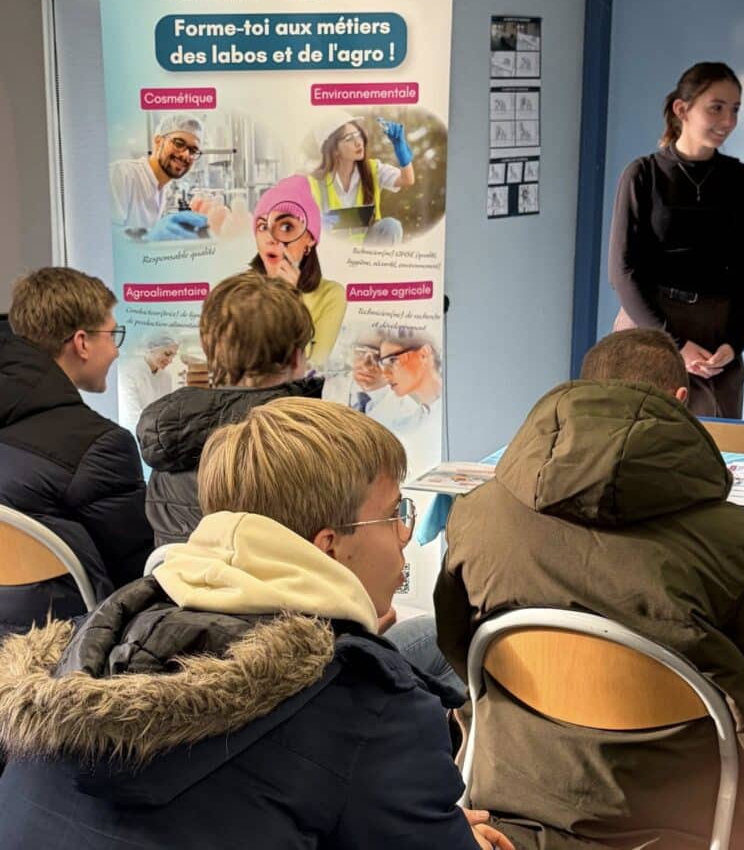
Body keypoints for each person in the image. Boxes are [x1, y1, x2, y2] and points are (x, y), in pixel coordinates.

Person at [0, 398, 513, 850]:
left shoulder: (82, 646)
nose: (404, 534)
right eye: (393, 513)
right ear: (328, 546)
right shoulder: (376, 710)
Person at [434, 328, 744, 850]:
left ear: (583, 392)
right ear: (682, 400)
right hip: (685, 808)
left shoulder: (477, 514)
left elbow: (458, 650)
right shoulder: (739, 540)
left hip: (517, 786)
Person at [0, 268, 152, 636]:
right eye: (112, 334)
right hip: (66, 655)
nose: (116, 350)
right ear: (81, 343)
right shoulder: (100, 448)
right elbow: (140, 580)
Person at [608, 61, 744, 419]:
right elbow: (622, 272)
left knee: (712, 447)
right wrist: (675, 344)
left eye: (735, 109)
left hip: (714, 333)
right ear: (682, 109)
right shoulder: (643, 174)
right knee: (643, 442)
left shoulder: (739, 179)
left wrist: (733, 344)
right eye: (716, 107)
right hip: (650, 326)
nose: (728, 121)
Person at [139, 272, 323, 547]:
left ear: (211, 352)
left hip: (182, 590)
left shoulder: (171, 442)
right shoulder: (316, 443)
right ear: (298, 355)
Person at [250, 174, 346, 370]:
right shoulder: (239, 292)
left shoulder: (331, 295)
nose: (271, 238)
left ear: (309, 239)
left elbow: (311, 366)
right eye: (262, 226)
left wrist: (292, 301)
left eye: (286, 226)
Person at [309, 111, 415, 245]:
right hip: (334, 253)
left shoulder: (374, 169)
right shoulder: (315, 183)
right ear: (333, 149)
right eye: (349, 139)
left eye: (358, 135)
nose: (358, 143)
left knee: (391, 226)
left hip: (367, 254)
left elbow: (407, 180)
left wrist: (401, 151)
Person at [109, 113, 208, 240]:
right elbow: (104, 237)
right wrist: (147, 236)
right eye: (178, 143)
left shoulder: (161, 189)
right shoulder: (121, 175)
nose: (185, 155)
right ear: (158, 142)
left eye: (193, 151)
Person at [323, 330, 422, 430]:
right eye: (360, 351)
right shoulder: (326, 386)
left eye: (380, 356)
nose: (366, 366)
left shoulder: (410, 413)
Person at [119, 331, 179, 434]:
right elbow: (132, 417)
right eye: (167, 354)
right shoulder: (128, 372)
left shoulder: (166, 377)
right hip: (135, 435)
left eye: (173, 356)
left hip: (158, 436)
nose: (170, 360)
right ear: (151, 348)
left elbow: (165, 412)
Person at [379, 329, 442, 415]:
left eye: (392, 361)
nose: (385, 374)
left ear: (423, 354)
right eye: (383, 364)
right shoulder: (410, 423)